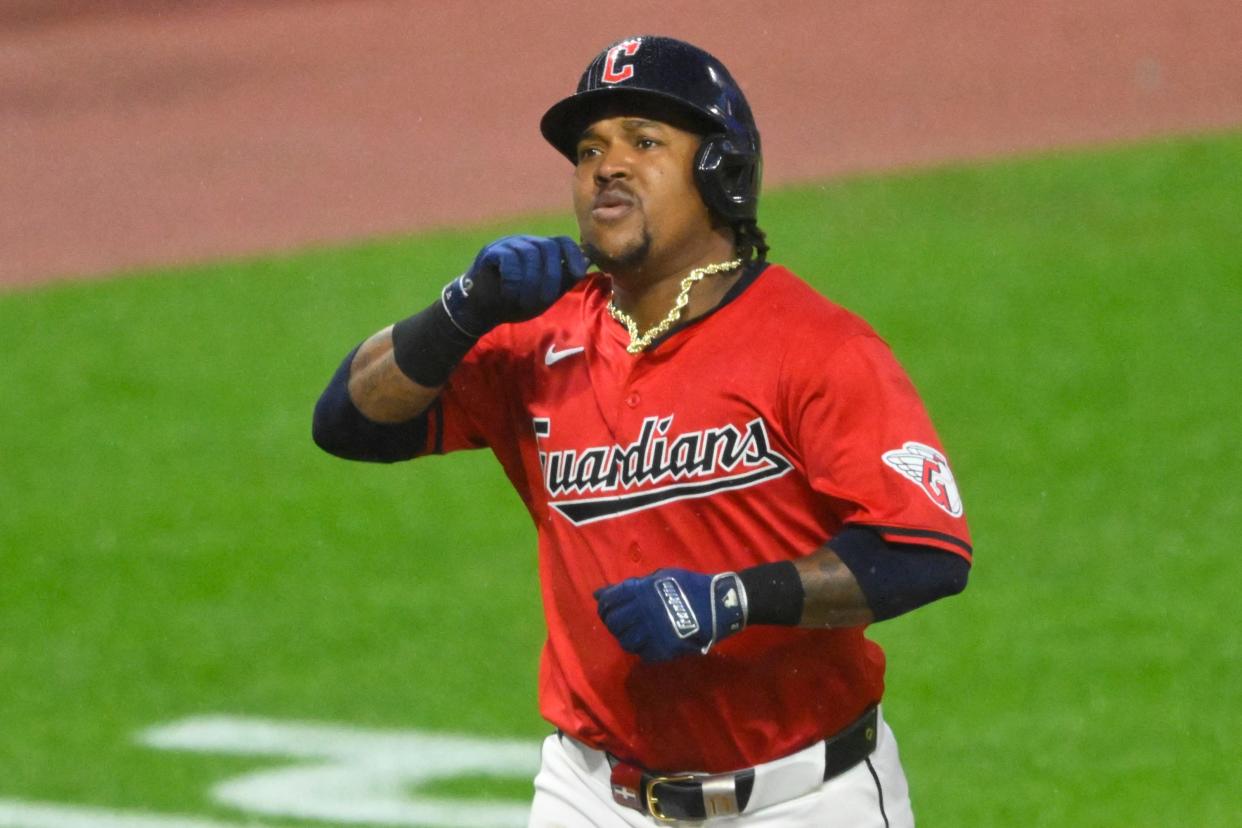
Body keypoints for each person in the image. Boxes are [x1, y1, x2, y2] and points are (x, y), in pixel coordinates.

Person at [312, 35, 972, 827]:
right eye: (590, 148)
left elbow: (924, 551)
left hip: (805, 796)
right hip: (593, 794)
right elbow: (349, 422)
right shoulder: (540, 339)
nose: (606, 166)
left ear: (722, 171)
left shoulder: (819, 347)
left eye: (645, 142)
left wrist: (731, 599)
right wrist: (460, 310)